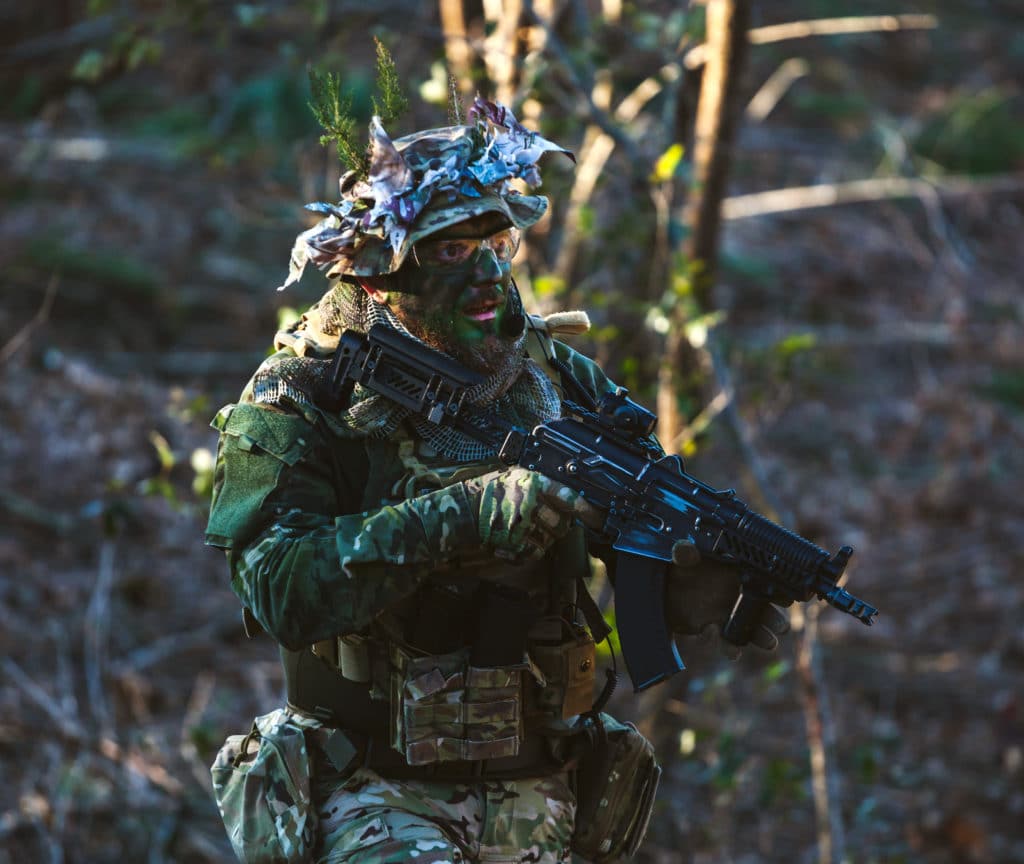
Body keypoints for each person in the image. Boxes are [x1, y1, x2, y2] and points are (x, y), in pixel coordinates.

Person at [205, 97, 788, 864]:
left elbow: (635, 519)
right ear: (381, 274)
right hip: (373, 790)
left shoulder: (552, 375)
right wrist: (467, 514)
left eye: (500, 241)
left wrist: (684, 578)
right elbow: (279, 589)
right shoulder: (303, 392)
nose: (487, 272)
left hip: (540, 794)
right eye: (451, 252)